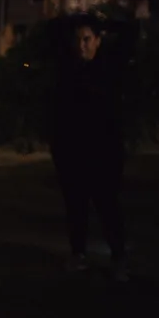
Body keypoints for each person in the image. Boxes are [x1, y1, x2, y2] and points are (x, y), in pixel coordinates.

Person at [49, 15, 128, 280]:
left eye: (86, 39)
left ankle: (119, 258)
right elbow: (58, 118)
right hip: (73, 156)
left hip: (103, 157)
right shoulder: (67, 75)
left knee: (108, 208)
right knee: (76, 208)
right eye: (78, 40)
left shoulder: (108, 75)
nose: (81, 45)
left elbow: (114, 121)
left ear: (97, 41)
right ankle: (78, 254)